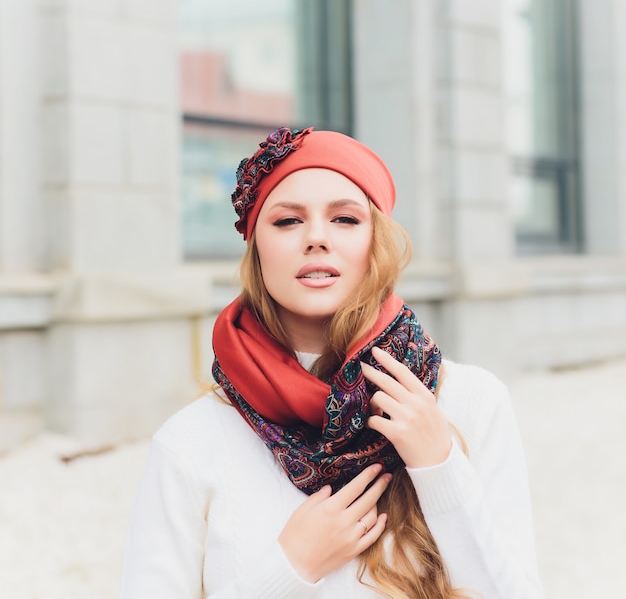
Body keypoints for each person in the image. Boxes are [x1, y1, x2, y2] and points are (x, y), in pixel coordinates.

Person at [120, 127, 543, 598]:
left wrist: (439, 467)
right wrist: (290, 568)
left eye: (344, 219)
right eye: (287, 221)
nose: (317, 238)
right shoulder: (193, 441)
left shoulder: (469, 403)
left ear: (376, 241)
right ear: (256, 249)